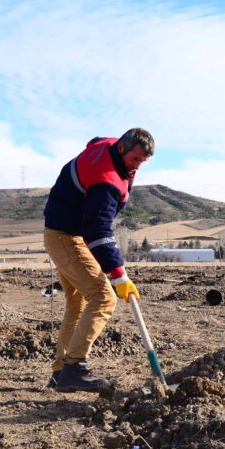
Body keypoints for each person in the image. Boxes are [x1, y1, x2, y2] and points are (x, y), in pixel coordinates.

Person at [42, 128, 153, 392]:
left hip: (61, 232)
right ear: (123, 149)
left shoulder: (110, 145)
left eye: (142, 162)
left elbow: (93, 141)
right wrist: (120, 276)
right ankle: (74, 368)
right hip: (66, 237)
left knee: (78, 300)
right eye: (135, 160)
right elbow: (98, 231)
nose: (137, 166)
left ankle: (61, 371)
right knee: (104, 297)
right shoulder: (106, 181)